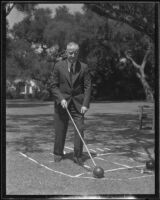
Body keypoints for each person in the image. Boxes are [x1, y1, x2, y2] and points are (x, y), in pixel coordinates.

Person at [50, 42, 91, 165]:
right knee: (60, 130)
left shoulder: (84, 67)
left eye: (75, 53)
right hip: (62, 103)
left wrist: (85, 104)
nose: (72, 55)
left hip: (78, 104)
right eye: (70, 52)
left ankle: (78, 155)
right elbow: (53, 85)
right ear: (66, 52)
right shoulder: (58, 66)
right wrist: (61, 98)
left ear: (78, 53)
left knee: (80, 129)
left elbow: (88, 86)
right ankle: (58, 153)